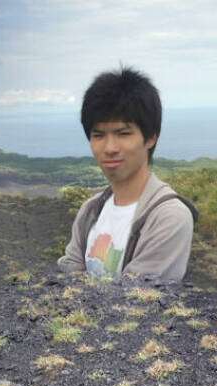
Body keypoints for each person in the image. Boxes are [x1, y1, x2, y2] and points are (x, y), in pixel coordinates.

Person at [57, 66, 198, 281]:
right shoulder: (91, 210)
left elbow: (137, 295)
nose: (110, 148)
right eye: (98, 135)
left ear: (151, 138)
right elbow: (69, 274)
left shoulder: (169, 217)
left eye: (123, 133)